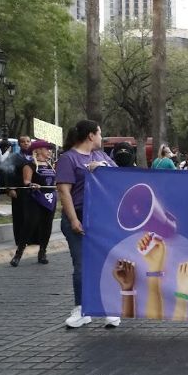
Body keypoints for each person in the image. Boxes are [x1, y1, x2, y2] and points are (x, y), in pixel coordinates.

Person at [56, 120, 119, 328]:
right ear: (91, 135)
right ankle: (82, 308)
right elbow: (64, 192)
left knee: (107, 262)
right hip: (80, 215)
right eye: (100, 133)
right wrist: (74, 220)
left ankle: (109, 307)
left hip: (101, 218)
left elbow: (119, 176)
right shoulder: (68, 159)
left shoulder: (101, 156)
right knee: (81, 265)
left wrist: (101, 169)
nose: (102, 137)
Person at [11, 140, 57, 266]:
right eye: (46, 149)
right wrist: (32, 184)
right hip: (35, 198)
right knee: (30, 225)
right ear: (38, 150)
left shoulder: (50, 164)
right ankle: (18, 253)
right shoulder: (30, 164)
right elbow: (26, 181)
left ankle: (42, 252)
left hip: (50, 198)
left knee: (47, 226)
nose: (49, 151)